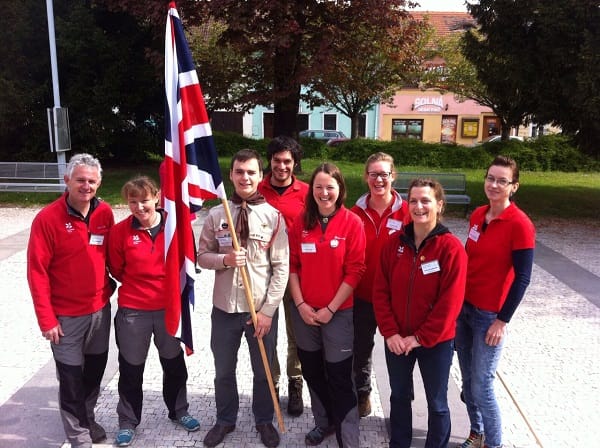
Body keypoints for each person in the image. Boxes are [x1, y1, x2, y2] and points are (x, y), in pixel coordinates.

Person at [197, 149, 289, 448]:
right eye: (239, 172)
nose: (245, 177)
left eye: (251, 172)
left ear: (260, 176)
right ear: (232, 175)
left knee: (263, 370)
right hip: (224, 309)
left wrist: (268, 311)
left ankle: (263, 419)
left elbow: (281, 267)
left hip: (259, 310)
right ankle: (225, 419)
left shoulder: (273, 217)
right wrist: (224, 260)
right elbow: (201, 256)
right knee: (224, 369)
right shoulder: (216, 214)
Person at [27, 153, 114, 448]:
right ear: (67, 180)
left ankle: (87, 417)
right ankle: (78, 435)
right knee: (71, 379)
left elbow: (112, 258)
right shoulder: (47, 219)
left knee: (94, 372)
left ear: (99, 183)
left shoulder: (105, 214)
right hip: (65, 318)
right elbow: (36, 273)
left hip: (100, 312)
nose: (86, 186)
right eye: (80, 180)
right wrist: (46, 319)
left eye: (91, 181)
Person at [372, 178, 467, 448]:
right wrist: (390, 333)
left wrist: (420, 338)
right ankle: (399, 443)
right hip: (397, 340)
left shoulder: (451, 249)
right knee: (399, 396)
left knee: (437, 402)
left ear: (439, 205)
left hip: (436, 342)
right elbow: (381, 291)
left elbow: (451, 302)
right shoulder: (394, 245)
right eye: (413, 200)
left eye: (425, 200)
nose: (418, 206)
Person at [107, 176, 200, 447]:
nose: (139, 206)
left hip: (169, 310)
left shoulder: (175, 227)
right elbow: (116, 268)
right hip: (134, 311)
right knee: (131, 368)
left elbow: (188, 260)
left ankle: (179, 410)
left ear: (157, 197)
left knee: (173, 364)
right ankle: (127, 420)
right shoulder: (120, 232)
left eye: (144, 200)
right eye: (133, 201)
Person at [455, 156, 535, 448]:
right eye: (491, 178)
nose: (494, 185)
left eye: (502, 181)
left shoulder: (520, 225)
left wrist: (503, 320)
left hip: (489, 317)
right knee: (467, 381)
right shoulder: (478, 215)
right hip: (464, 310)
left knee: (482, 384)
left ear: (514, 186)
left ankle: (495, 443)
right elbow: (467, 258)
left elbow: (523, 278)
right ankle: (476, 433)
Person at [288, 162, 366, 447]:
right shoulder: (301, 222)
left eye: (330, 187)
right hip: (305, 314)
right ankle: (324, 423)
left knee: (339, 375)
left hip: (338, 313)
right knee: (311, 371)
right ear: (312, 191)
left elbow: (355, 271)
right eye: (318, 187)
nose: (324, 193)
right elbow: (292, 266)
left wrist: (330, 308)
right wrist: (301, 305)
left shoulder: (352, 223)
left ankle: (348, 435)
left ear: (340, 189)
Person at [350, 152, 410, 417]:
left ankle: (401, 402)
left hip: (394, 299)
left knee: (397, 352)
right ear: (366, 177)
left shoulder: (407, 212)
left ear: (393, 176)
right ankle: (362, 395)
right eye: (373, 174)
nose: (378, 180)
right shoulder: (355, 213)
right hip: (361, 296)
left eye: (384, 174)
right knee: (360, 351)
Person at [258, 135, 309, 417]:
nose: (281, 166)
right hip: (262, 274)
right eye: (277, 160)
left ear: (295, 163)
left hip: (295, 274)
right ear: (270, 161)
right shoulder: (257, 188)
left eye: (287, 161)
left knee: (296, 334)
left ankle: (295, 383)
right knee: (266, 333)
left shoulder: (306, 192)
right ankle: (271, 383)